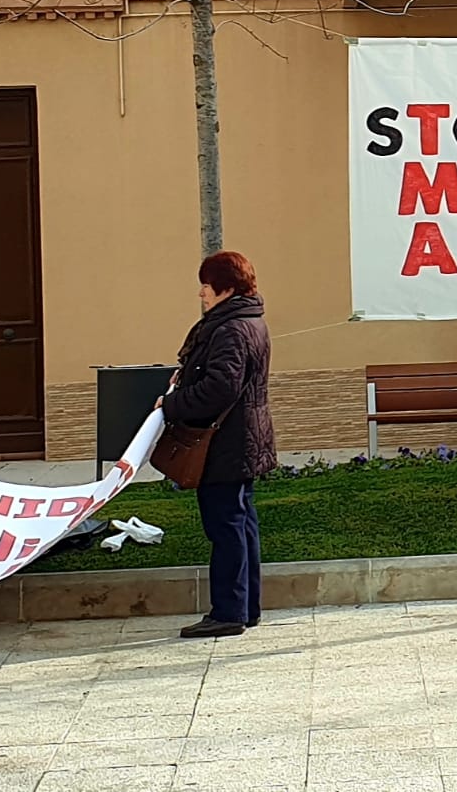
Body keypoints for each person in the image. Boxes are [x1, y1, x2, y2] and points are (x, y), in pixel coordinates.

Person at [161, 252, 275, 641]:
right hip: (240, 439)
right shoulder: (247, 321)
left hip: (225, 443)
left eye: (206, 287)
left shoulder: (230, 329)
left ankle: (228, 612)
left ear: (226, 289)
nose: (201, 294)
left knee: (226, 526)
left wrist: (172, 403)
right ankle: (246, 607)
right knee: (241, 524)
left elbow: (220, 388)